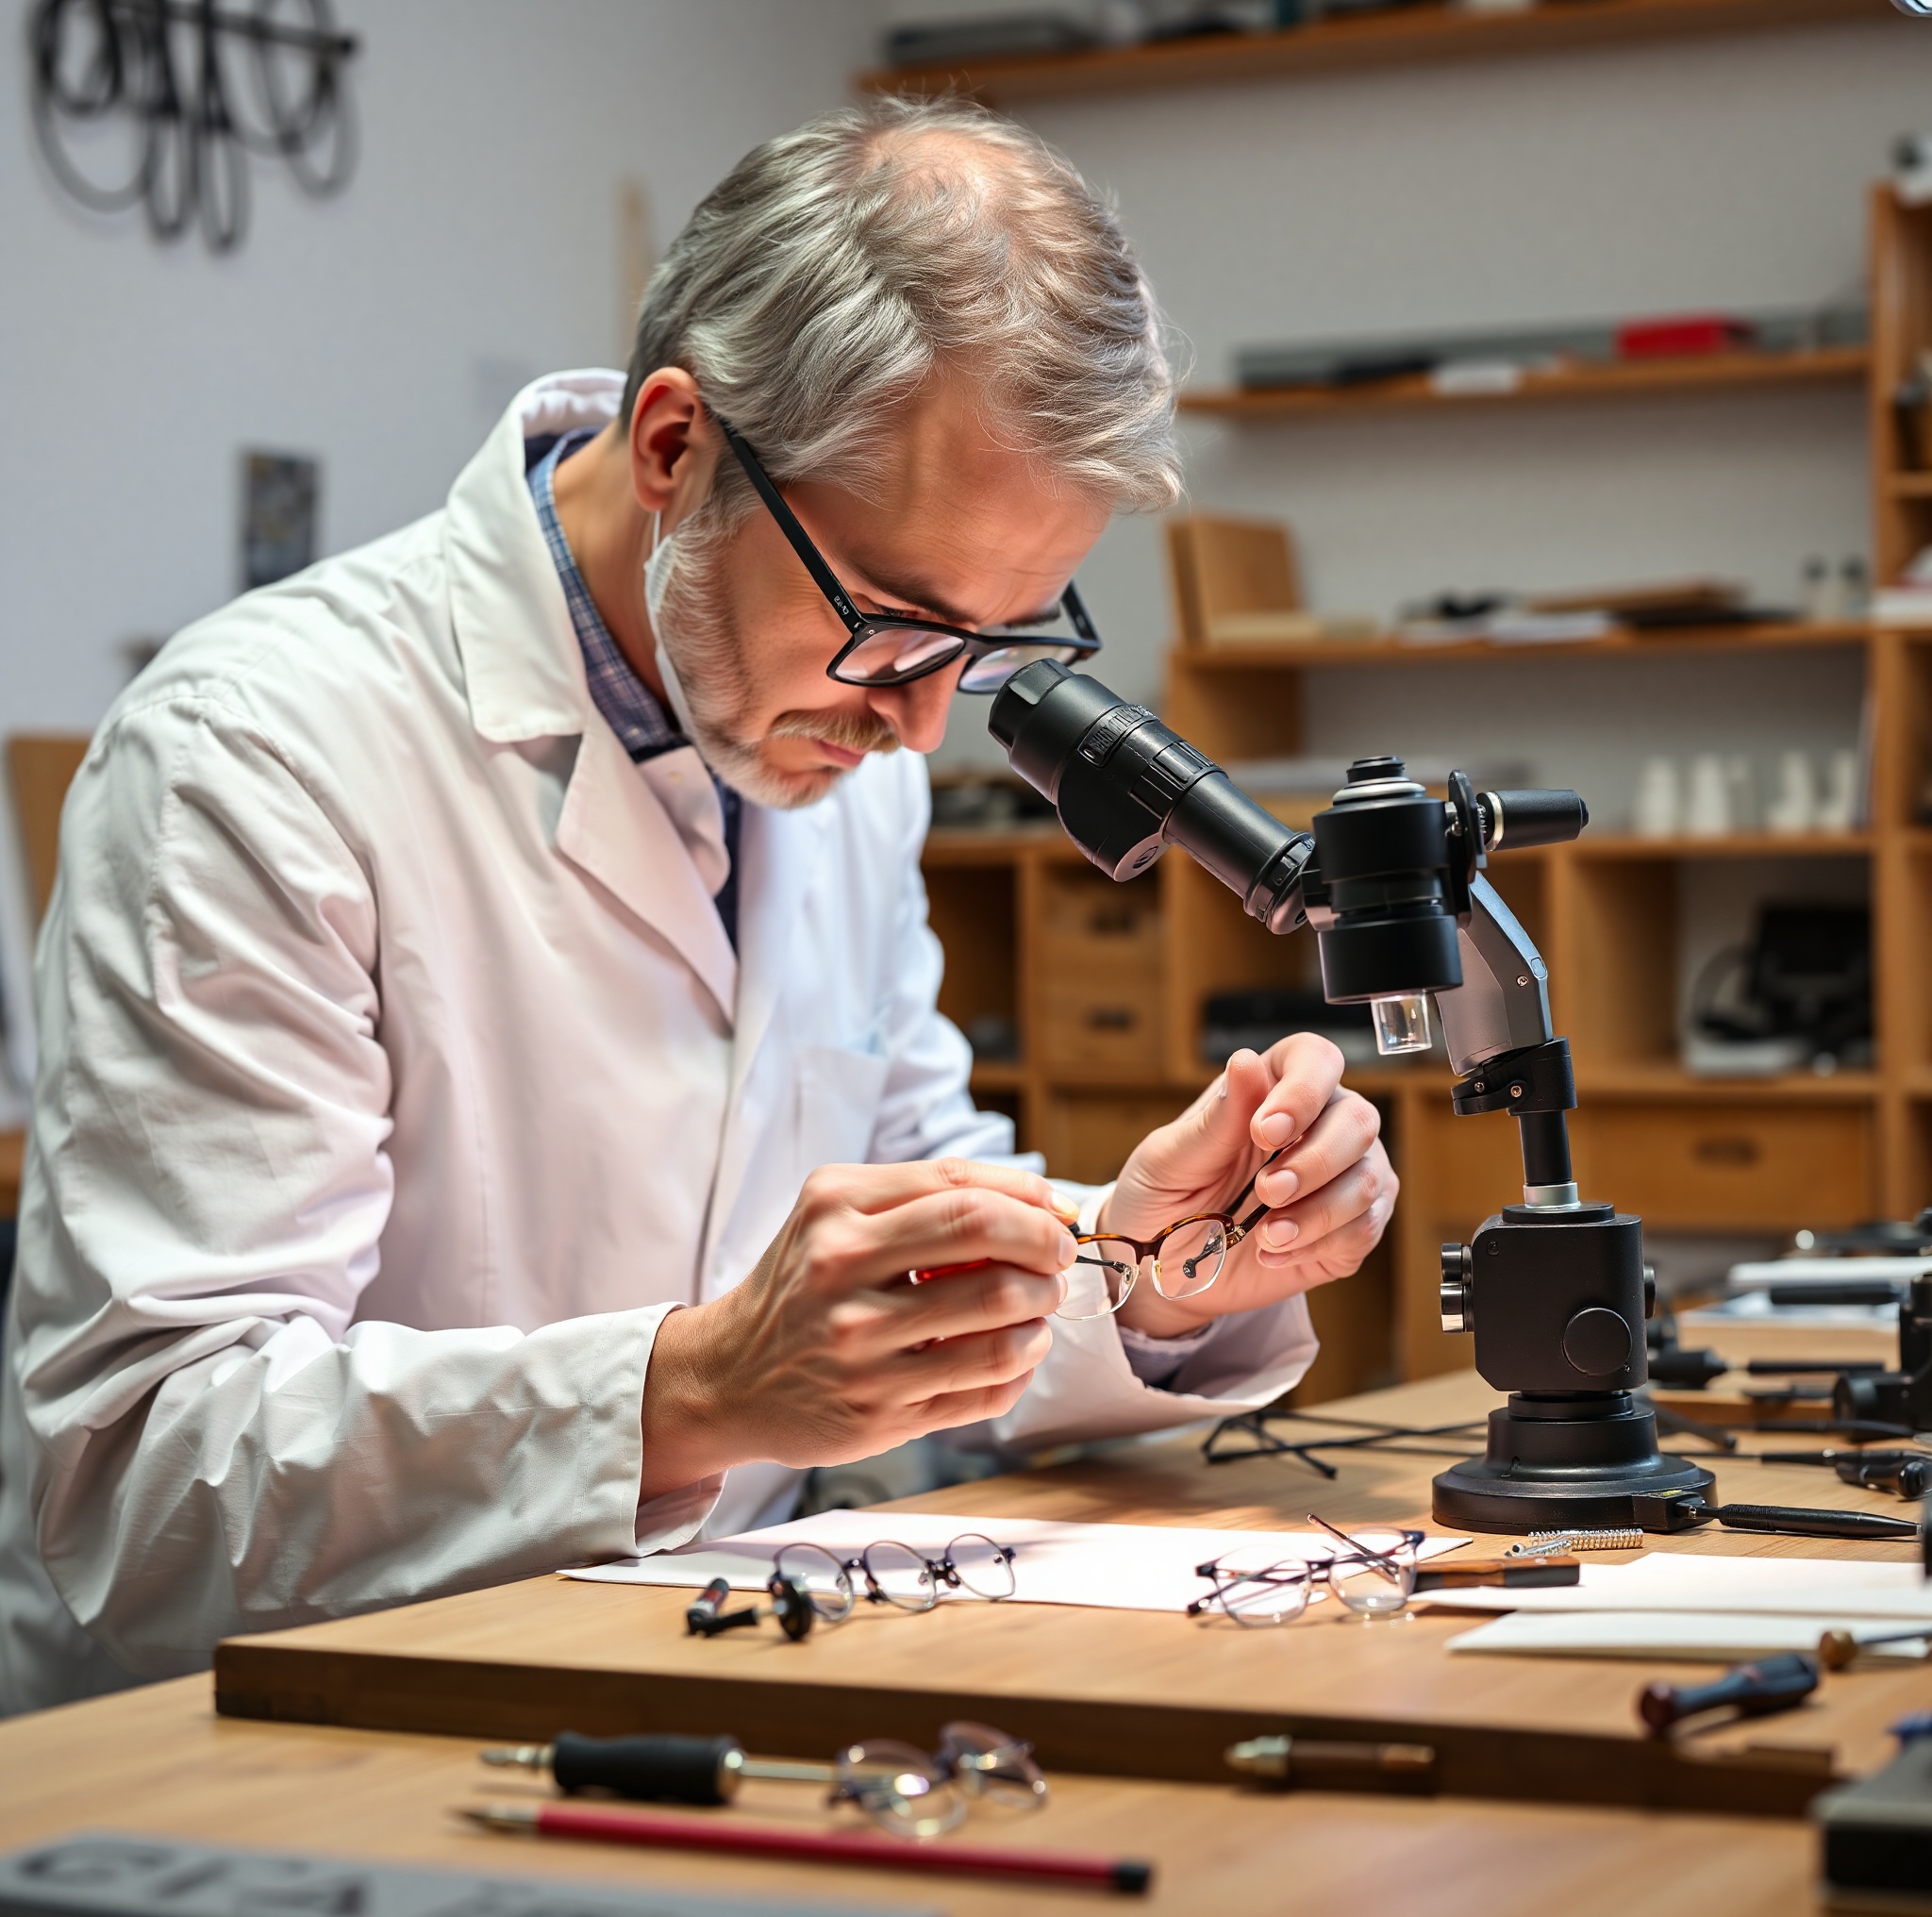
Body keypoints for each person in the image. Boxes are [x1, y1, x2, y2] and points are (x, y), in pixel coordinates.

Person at [0, 97, 1396, 1713]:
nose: (925, 726)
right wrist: (695, 1390)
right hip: (261, 1735)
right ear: (676, 448)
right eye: (893, 622)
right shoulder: (253, 754)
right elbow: (147, 1489)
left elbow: (907, 1201)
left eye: (996, 639)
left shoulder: (831, 741)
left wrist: (1143, 1266)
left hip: (706, 1669)